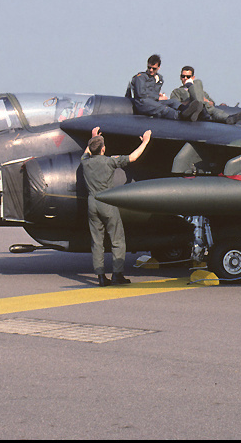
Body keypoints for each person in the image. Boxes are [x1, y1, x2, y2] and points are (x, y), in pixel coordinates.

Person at [81, 126, 151, 286]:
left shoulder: (85, 163)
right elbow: (133, 158)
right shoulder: (109, 162)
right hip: (107, 202)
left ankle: (100, 276)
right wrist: (145, 142)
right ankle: (117, 274)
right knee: (117, 239)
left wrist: (93, 137)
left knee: (97, 242)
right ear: (103, 149)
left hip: (92, 203)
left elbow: (87, 152)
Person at [126, 54, 202, 120]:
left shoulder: (159, 79)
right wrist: (157, 97)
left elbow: (153, 93)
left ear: (159, 67)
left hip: (153, 102)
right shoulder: (140, 77)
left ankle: (186, 110)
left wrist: (159, 96)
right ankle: (180, 116)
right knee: (163, 109)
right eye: (149, 68)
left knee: (173, 102)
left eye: (154, 68)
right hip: (143, 103)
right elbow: (141, 94)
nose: (151, 70)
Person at [169, 66, 241, 124]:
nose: (185, 78)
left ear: (192, 77)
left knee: (214, 111)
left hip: (206, 110)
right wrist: (189, 101)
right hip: (191, 110)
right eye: (183, 76)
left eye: (188, 77)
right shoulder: (177, 91)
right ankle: (197, 106)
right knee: (198, 85)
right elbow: (176, 104)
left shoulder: (200, 91)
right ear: (180, 77)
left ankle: (228, 118)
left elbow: (212, 103)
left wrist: (207, 101)